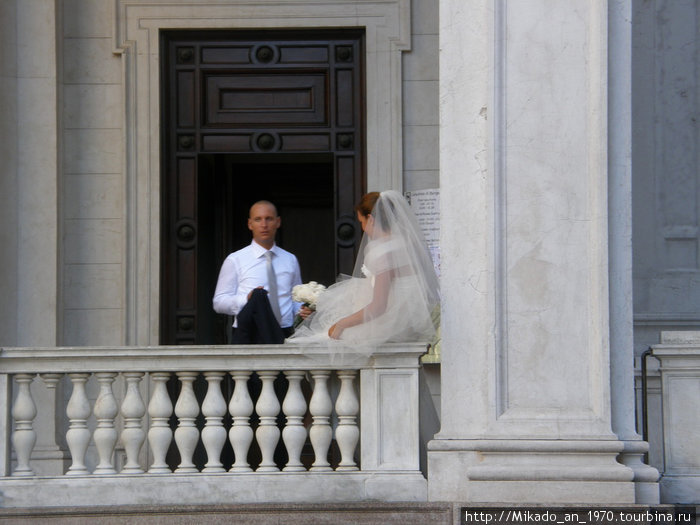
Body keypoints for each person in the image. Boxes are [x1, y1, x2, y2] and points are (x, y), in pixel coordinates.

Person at [288, 190, 439, 347]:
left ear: (371, 219)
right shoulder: (407, 245)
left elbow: (379, 306)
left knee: (319, 339)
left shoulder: (383, 251)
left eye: (362, 221)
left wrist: (342, 324)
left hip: (388, 324)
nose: (362, 227)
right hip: (410, 320)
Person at [213, 200, 311, 343]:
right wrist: (246, 299)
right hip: (250, 333)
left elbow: (294, 298)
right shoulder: (235, 259)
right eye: (258, 219)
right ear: (250, 224)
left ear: (278, 222)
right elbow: (219, 302)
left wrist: (302, 310)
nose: (264, 225)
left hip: (285, 333)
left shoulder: (290, 259)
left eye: (269, 219)